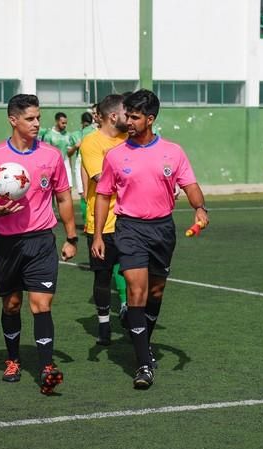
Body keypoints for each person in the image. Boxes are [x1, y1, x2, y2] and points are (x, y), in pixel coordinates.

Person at [91, 89, 208, 389]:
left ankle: (141, 335)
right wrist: (99, 236)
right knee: (136, 289)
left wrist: (200, 209)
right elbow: (103, 195)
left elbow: (190, 185)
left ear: (150, 119)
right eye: (126, 115)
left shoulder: (173, 152)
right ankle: (143, 365)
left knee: (155, 293)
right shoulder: (115, 156)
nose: (128, 121)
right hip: (129, 228)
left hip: (162, 230)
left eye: (134, 116)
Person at [0, 94, 77, 395]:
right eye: (30, 118)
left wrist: (71, 237)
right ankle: (13, 359)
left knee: (41, 305)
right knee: (12, 304)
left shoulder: (51, 156)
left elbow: (64, 197)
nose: (36, 123)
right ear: (13, 120)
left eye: (38, 118)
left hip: (41, 240)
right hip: (6, 243)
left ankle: (46, 367)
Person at [80, 94, 130, 346]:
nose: (130, 116)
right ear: (113, 116)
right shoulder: (91, 143)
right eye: (126, 112)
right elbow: (102, 180)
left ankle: (128, 310)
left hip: (130, 221)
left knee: (135, 272)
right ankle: (103, 324)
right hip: (102, 222)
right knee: (102, 276)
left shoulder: (131, 139)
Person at [40, 112, 81, 196]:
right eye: (63, 123)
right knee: (51, 191)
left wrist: (75, 147)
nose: (65, 125)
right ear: (57, 121)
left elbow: (69, 154)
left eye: (66, 123)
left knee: (67, 190)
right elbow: (46, 153)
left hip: (65, 165)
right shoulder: (49, 135)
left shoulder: (68, 135)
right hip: (52, 165)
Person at [68, 111, 97, 222]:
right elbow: (69, 153)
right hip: (87, 160)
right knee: (86, 191)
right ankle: (89, 221)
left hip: (86, 160)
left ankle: (89, 221)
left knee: (86, 192)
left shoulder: (93, 132)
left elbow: (69, 153)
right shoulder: (78, 134)